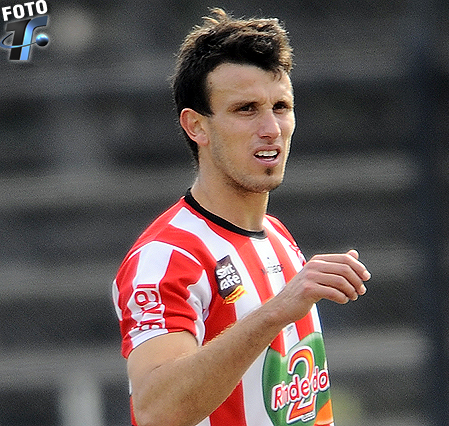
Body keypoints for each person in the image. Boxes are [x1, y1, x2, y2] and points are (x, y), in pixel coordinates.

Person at [112, 8, 371, 426]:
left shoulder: (277, 236)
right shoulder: (167, 256)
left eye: (281, 106)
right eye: (246, 109)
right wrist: (274, 312)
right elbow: (156, 410)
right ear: (196, 126)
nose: (271, 128)